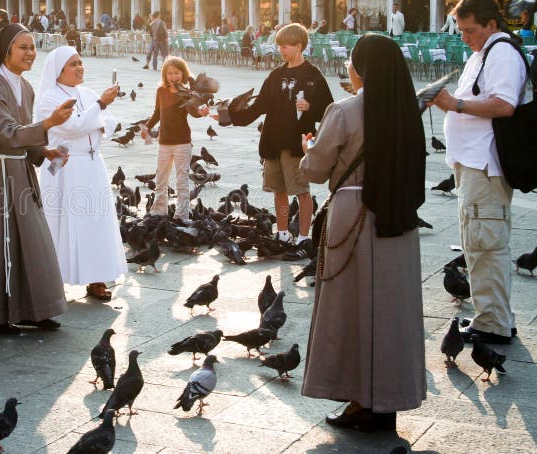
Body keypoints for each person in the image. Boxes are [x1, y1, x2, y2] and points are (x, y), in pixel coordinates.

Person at [300, 33, 427, 432]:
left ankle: (358, 400)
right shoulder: (407, 111)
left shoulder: (345, 109)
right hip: (398, 221)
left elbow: (316, 170)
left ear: (362, 69)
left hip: (354, 216)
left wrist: (309, 148)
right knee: (391, 312)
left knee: (349, 310)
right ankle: (388, 399)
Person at [0, 24, 73, 333]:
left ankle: (29, 308)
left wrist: (43, 152)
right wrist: (48, 123)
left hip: (17, 171)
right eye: (23, 47)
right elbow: (5, 133)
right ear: (5, 51)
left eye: (33, 47)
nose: (31, 53)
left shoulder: (26, 87)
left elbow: (21, 135)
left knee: (30, 241)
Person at [430, 0, 527, 345]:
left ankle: (493, 324)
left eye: (470, 30)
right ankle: (497, 316)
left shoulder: (501, 53)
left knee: (485, 244)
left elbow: (504, 104)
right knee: (480, 243)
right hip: (473, 164)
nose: (465, 37)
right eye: (461, 31)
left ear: (490, 23)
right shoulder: (485, 51)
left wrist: (454, 105)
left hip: (485, 166)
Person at [221, 23, 333, 260]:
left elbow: (329, 111)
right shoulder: (276, 75)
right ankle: (282, 233)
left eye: (284, 45)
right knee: (278, 191)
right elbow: (259, 106)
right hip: (273, 142)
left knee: (301, 192)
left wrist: (311, 107)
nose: (280, 49)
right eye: (279, 45)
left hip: (296, 143)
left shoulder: (313, 76)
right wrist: (229, 117)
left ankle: (304, 238)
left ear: (299, 46)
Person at [36, 46, 126, 301]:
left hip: (92, 162)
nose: (79, 67)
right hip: (66, 166)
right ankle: (55, 280)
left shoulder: (86, 93)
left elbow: (108, 122)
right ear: (59, 70)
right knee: (65, 223)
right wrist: (98, 108)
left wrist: (96, 114)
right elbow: (73, 128)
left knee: (95, 222)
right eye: (73, 64)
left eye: (80, 62)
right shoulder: (50, 98)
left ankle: (97, 277)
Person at [144, 56, 209, 221]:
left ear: (183, 73)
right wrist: (147, 126)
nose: (173, 77)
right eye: (169, 73)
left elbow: (193, 112)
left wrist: (201, 113)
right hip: (164, 142)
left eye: (176, 73)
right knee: (161, 179)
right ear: (165, 75)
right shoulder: (161, 91)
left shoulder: (185, 93)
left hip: (182, 143)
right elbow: (158, 113)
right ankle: (159, 212)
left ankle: (182, 215)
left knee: (182, 182)